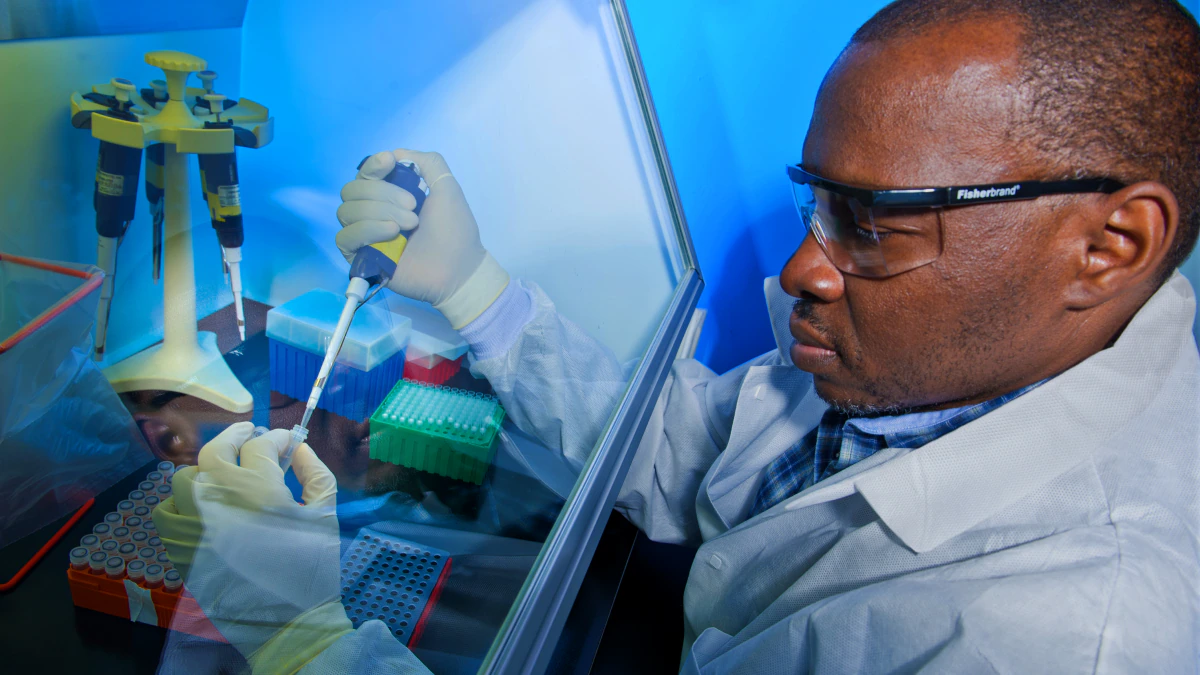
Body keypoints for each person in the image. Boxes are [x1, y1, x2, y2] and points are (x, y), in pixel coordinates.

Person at [155, 0, 1200, 672]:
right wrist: (476, 289)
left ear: (1112, 242)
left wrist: (304, 643)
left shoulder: (1057, 636)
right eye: (818, 203)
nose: (802, 272)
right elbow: (692, 450)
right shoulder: (935, 361)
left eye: (875, 222)